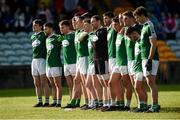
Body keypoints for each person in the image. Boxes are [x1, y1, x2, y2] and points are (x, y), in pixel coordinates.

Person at [133, 6, 160, 112]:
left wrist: (149, 59)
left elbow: (154, 44)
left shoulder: (149, 25)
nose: (137, 20)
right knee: (149, 82)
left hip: (150, 58)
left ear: (143, 16)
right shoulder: (144, 26)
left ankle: (155, 106)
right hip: (145, 58)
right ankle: (151, 105)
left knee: (151, 82)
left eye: (137, 17)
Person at [126, 26, 149, 112]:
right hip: (136, 68)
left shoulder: (142, 41)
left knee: (138, 87)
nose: (130, 39)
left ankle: (142, 106)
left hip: (140, 68)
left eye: (130, 36)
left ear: (134, 33)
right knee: (140, 88)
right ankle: (143, 105)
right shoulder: (136, 43)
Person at [91, 15, 109, 110]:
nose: (92, 23)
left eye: (93, 21)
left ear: (98, 21)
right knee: (102, 83)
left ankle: (109, 103)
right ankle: (104, 103)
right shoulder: (95, 32)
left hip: (103, 59)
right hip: (96, 59)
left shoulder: (104, 31)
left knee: (106, 83)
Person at [31, 19, 50, 107]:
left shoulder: (44, 34)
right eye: (33, 25)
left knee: (44, 82)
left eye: (35, 25)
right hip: (34, 60)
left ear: (40, 26)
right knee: (36, 82)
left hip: (42, 60)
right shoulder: (32, 36)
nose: (33, 27)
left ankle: (46, 101)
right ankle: (39, 101)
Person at [44, 22, 63, 107]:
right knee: (52, 84)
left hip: (56, 64)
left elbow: (64, 42)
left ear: (51, 29)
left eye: (46, 29)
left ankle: (59, 103)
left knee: (57, 84)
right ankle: (54, 101)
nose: (44, 30)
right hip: (48, 65)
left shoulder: (57, 37)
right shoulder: (47, 39)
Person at [59, 20, 77, 100]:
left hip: (74, 63)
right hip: (65, 64)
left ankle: (76, 101)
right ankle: (71, 100)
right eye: (60, 28)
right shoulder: (62, 37)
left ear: (67, 27)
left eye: (62, 27)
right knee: (70, 85)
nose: (61, 29)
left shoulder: (74, 35)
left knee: (76, 84)